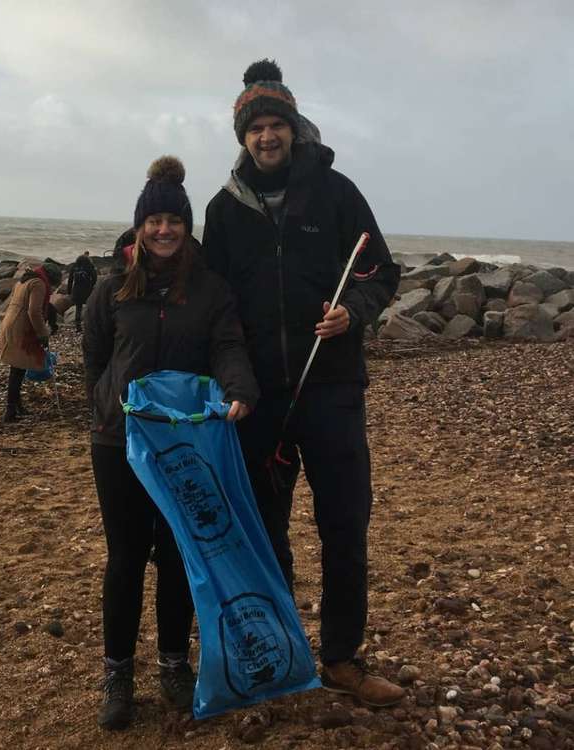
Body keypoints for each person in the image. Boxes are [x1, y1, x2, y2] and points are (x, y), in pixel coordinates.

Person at [201, 59, 405, 707]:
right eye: (255, 127)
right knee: (266, 533)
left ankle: (342, 657)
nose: (266, 136)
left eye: (275, 125)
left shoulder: (337, 193)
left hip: (333, 393)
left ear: (293, 129)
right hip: (261, 402)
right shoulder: (222, 210)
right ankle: (285, 656)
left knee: (344, 526)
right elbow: (213, 307)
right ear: (242, 136)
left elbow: (380, 274)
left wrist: (355, 314)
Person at [83, 155, 259, 730]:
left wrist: (240, 386)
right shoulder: (111, 290)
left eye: (174, 222)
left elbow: (228, 346)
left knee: (180, 553)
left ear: (187, 228)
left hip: (185, 443)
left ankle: (174, 663)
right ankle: (117, 673)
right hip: (120, 443)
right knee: (125, 558)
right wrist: (110, 409)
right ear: (140, 227)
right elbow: (96, 362)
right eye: (153, 221)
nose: (163, 230)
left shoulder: (209, 289)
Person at [0, 262, 62, 422]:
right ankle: (10, 412)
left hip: (11, 323)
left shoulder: (26, 279)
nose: (52, 288)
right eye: (53, 285)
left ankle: (17, 406)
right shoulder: (39, 284)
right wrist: (43, 333)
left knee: (18, 369)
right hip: (21, 328)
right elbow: (34, 311)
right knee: (17, 371)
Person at [67, 250, 98, 331]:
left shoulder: (74, 267)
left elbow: (70, 280)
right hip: (87, 290)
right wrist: (92, 286)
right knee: (89, 307)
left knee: (78, 308)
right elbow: (95, 278)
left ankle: (78, 325)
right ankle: (89, 324)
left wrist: (69, 291)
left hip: (77, 290)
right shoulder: (90, 266)